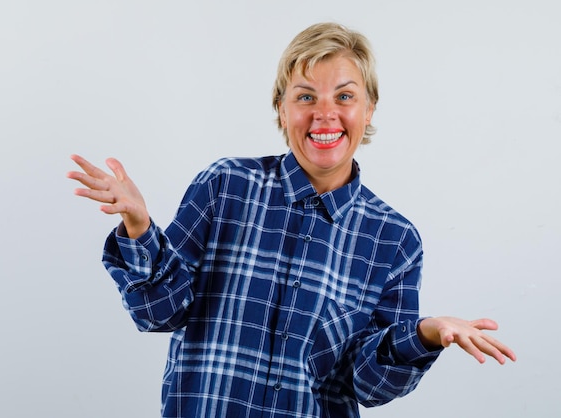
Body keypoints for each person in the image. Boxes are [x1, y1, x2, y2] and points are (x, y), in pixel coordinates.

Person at [67, 22, 516, 418]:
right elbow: (159, 314)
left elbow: (369, 386)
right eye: (306, 96)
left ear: (369, 109)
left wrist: (425, 334)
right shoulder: (225, 185)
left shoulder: (393, 240)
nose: (325, 114)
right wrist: (139, 227)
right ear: (282, 108)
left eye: (344, 96)